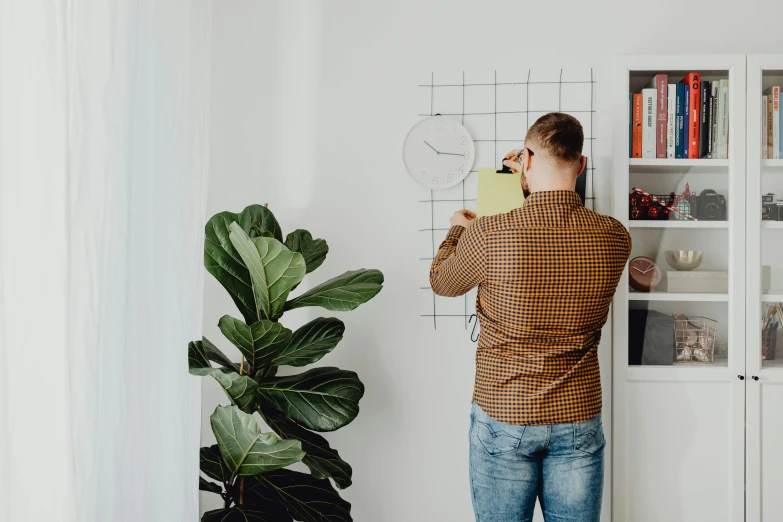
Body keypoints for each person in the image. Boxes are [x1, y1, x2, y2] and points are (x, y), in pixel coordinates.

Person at [429, 112, 631, 522]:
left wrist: (457, 231)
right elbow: (558, 224)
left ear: (527, 159)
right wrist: (530, 177)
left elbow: (442, 282)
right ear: (582, 163)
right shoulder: (614, 236)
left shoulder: (488, 234)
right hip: (578, 414)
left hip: (505, 409)